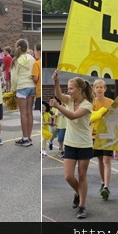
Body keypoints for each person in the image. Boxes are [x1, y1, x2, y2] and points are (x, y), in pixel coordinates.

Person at [49, 71, 94, 220]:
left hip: (84, 144)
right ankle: (79, 193)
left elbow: (73, 117)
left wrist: (57, 106)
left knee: (82, 176)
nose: (68, 91)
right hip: (70, 143)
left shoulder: (87, 105)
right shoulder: (68, 101)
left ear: (80, 90)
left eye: (71, 89)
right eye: (68, 88)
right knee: (68, 176)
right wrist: (56, 82)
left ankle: (82, 206)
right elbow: (60, 96)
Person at [92, 79, 114, 201]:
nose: (99, 89)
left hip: (107, 134)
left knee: (107, 159)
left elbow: (117, 116)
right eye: (97, 87)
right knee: (100, 159)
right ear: (94, 89)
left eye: (101, 87)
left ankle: (106, 186)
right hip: (95, 135)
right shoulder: (91, 103)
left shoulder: (110, 102)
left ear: (105, 89)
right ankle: (102, 181)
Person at [11, 38, 36, 147]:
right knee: (30, 113)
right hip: (31, 86)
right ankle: (29, 137)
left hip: (21, 86)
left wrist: (13, 88)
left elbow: (14, 77)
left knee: (23, 113)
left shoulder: (16, 60)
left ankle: (24, 137)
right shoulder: (32, 58)